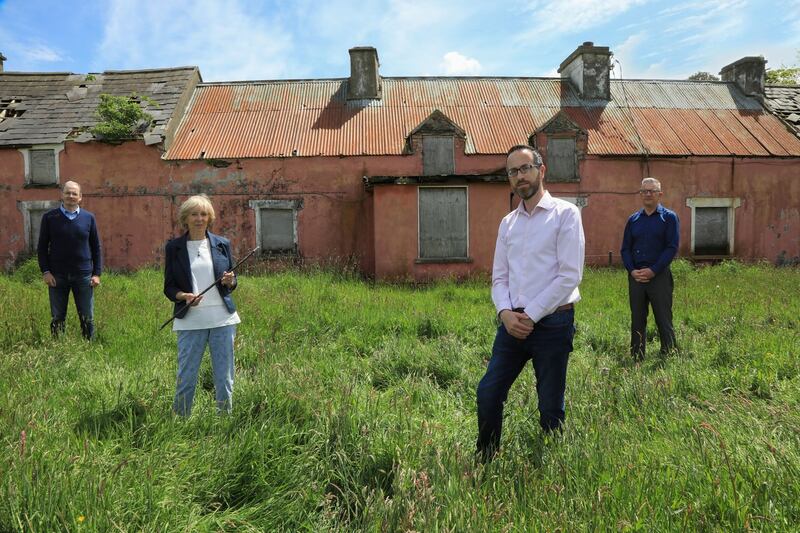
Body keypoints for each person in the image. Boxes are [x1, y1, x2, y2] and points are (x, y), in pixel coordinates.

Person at [476, 145, 585, 461]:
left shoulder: (565, 215)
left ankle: (550, 466)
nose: (519, 176)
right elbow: (499, 278)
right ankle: (486, 458)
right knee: (488, 392)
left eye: (525, 168)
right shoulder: (507, 224)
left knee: (550, 404)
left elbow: (569, 276)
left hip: (553, 324)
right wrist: (505, 313)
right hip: (512, 326)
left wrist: (531, 315)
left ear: (541, 169)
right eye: (512, 172)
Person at [163, 194, 240, 416]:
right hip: (190, 321)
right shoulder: (174, 247)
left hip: (222, 320)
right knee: (186, 376)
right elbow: (168, 287)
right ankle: (180, 421)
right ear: (185, 218)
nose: (199, 218)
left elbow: (233, 281)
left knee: (224, 377)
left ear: (210, 217)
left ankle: (224, 422)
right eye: (194, 214)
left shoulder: (222, 244)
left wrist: (230, 281)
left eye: (204, 214)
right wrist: (183, 296)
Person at [620, 177, 680, 360]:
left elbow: (672, 247)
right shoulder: (633, 220)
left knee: (663, 318)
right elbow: (625, 249)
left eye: (652, 191)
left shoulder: (669, 218)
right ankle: (637, 356)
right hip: (636, 277)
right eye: (644, 191)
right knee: (637, 319)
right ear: (640, 194)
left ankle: (668, 355)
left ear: (659, 194)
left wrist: (653, 270)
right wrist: (632, 270)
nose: (648, 194)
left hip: (659, 276)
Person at [37, 180, 102, 340]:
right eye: (67, 193)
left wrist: (97, 273)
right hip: (57, 276)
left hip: (84, 276)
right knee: (58, 316)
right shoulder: (50, 218)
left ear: (80, 197)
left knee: (87, 316)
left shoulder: (89, 218)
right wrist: (46, 272)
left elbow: (96, 247)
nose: (71, 196)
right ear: (62, 195)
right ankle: (58, 349)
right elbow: (42, 247)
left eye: (74, 193)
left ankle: (89, 349)